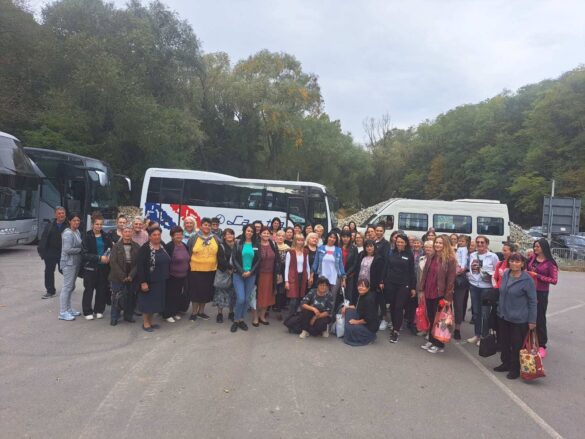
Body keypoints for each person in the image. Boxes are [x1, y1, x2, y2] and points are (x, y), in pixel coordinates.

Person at [493, 253, 537, 380]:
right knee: (504, 342)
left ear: (522, 264)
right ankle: (505, 363)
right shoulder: (506, 274)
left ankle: (515, 368)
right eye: (512, 261)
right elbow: (502, 292)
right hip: (503, 315)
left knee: (516, 345)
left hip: (519, 319)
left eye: (517, 262)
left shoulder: (527, 280)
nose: (514, 263)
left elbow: (533, 301)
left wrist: (532, 320)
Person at [419, 235, 457, 354]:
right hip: (428, 291)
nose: (437, 245)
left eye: (440, 243)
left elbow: (451, 280)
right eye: (436, 242)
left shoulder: (450, 259)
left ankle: (439, 344)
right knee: (431, 317)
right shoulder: (431, 256)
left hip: (440, 294)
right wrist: (421, 289)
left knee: (440, 320)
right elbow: (425, 274)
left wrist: (447, 297)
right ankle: (431, 340)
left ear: (445, 244)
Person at [187, 217, 224, 321]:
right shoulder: (194, 238)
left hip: (210, 270)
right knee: (195, 292)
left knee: (205, 292)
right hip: (195, 270)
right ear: (201, 226)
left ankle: (201, 312)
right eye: (205, 225)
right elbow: (188, 251)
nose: (207, 227)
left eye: (209, 225)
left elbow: (221, 250)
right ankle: (194, 312)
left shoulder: (215, 238)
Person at [466, 236, 500, 346]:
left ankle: (484, 336)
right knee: (476, 312)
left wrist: (488, 274)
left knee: (485, 313)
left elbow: (497, 271)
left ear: (487, 244)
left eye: (482, 242)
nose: (480, 244)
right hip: (474, 287)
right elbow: (470, 269)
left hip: (487, 288)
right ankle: (477, 335)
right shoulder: (472, 255)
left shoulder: (493, 256)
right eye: (478, 242)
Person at [527, 238, 558, 356]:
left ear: (544, 247)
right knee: (527, 317)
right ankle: (528, 341)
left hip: (541, 293)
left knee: (539, 318)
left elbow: (554, 280)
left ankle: (541, 345)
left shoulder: (550, 263)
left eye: (538, 246)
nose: (535, 248)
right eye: (534, 246)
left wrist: (537, 276)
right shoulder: (532, 258)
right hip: (528, 291)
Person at [383, 233, 416, 343]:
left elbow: (412, 272)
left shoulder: (409, 255)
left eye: (402, 242)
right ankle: (394, 326)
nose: (399, 244)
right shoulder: (391, 253)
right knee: (392, 307)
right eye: (398, 242)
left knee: (398, 307)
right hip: (391, 284)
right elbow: (386, 268)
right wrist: (383, 280)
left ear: (406, 243)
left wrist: (413, 287)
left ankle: (396, 331)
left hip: (403, 285)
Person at [136, 227, 171, 332]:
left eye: (158, 234)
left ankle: (150, 322)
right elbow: (140, 267)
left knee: (155, 303)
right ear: (150, 236)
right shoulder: (145, 248)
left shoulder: (162, 246)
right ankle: (146, 323)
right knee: (147, 303)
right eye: (154, 235)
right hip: (149, 281)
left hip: (161, 280)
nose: (157, 237)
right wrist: (143, 282)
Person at [81, 212, 113, 320]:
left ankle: (99, 310)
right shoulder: (87, 236)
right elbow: (84, 254)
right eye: (97, 224)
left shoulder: (106, 236)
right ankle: (87, 311)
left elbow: (110, 249)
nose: (99, 226)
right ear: (92, 224)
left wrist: (108, 257)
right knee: (89, 290)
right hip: (90, 267)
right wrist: (99, 258)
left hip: (103, 267)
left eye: (101, 224)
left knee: (101, 289)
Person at [109, 224, 140, 325]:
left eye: (129, 232)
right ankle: (114, 317)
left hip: (131, 276)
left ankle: (128, 316)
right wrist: (122, 276)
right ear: (122, 233)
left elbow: (138, 263)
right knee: (116, 298)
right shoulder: (116, 246)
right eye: (125, 232)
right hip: (117, 276)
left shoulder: (136, 246)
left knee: (130, 297)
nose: (127, 234)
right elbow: (113, 262)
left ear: (132, 233)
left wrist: (131, 275)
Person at [231, 224, 260, 332]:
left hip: (251, 275)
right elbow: (234, 259)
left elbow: (258, 260)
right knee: (241, 298)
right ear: (244, 231)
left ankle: (241, 319)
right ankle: (236, 320)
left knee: (247, 299)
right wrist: (242, 271)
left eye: (251, 231)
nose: (249, 233)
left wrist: (250, 272)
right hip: (238, 274)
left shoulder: (256, 244)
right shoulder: (238, 242)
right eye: (248, 230)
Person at [312, 232, 346, 316]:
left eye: (334, 238)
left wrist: (343, 279)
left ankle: (329, 316)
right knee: (322, 297)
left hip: (335, 278)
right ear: (327, 237)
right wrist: (311, 275)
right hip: (322, 276)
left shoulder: (338, 250)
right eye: (330, 237)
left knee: (332, 298)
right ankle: (320, 316)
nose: (332, 239)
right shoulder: (320, 248)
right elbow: (316, 262)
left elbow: (341, 265)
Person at [38, 206, 68, 299]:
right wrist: (42, 251)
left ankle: (69, 286)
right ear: (55, 215)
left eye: (63, 213)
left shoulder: (69, 225)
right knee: (49, 271)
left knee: (64, 270)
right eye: (59, 213)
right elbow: (44, 238)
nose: (61, 215)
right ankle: (50, 291)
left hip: (63, 253)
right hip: (50, 253)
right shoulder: (50, 225)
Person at [58, 213, 83, 321]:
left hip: (75, 263)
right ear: (69, 221)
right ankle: (63, 312)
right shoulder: (67, 233)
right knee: (67, 287)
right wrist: (81, 250)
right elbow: (67, 249)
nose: (76, 222)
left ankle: (68, 309)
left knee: (71, 287)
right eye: (74, 220)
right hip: (68, 263)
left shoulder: (77, 231)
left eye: (78, 220)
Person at [163, 226, 190, 323]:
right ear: (172, 236)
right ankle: (167, 314)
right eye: (176, 234)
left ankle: (174, 312)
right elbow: (166, 262)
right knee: (170, 296)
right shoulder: (169, 246)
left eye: (180, 234)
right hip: (172, 276)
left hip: (183, 276)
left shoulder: (184, 245)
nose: (179, 236)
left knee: (178, 295)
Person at [255, 226, 280, 326]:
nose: (266, 235)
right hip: (259, 275)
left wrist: (278, 273)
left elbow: (277, 259)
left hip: (270, 275)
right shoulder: (256, 244)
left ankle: (262, 316)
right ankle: (255, 317)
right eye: (264, 233)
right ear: (260, 234)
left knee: (267, 296)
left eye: (268, 233)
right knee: (257, 296)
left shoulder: (273, 244)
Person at [343, 278, 378, 346]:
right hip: (362, 318)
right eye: (359, 286)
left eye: (363, 286)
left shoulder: (369, 300)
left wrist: (356, 322)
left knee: (353, 328)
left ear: (368, 288)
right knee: (349, 311)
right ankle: (348, 331)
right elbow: (356, 306)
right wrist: (346, 307)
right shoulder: (361, 295)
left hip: (369, 327)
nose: (361, 288)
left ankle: (370, 336)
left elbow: (368, 319)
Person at [213, 228, 236, 323]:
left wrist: (235, 270)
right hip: (223, 273)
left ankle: (231, 312)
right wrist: (229, 269)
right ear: (224, 236)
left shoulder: (237, 246)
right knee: (221, 294)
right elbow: (220, 260)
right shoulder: (221, 246)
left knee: (233, 294)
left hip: (234, 273)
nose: (230, 236)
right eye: (227, 234)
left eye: (231, 234)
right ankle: (220, 313)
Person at [285, 233, 311, 318]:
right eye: (298, 240)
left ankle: (296, 318)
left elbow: (307, 266)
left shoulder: (305, 252)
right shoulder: (290, 252)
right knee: (293, 299)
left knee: (300, 298)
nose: (300, 242)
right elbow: (287, 267)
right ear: (295, 241)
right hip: (292, 277)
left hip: (302, 277)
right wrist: (286, 281)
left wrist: (308, 278)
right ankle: (290, 318)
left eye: (302, 240)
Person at [453, 235, 471, 340]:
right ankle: (445, 325)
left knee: (458, 305)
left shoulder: (464, 250)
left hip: (460, 278)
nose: (460, 242)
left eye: (462, 241)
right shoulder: (455, 249)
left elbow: (464, 261)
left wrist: (462, 268)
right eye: (458, 241)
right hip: (451, 277)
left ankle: (457, 329)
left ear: (466, 243)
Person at [340, 231, 359, 305]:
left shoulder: (354, 248)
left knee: (348, 296)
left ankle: (347, 310)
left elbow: (355, 264)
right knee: (338, 295)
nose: (345, 239)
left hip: (349, 275)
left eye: (347, 237)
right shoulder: (338, 247)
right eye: (344, 237)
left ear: (350, 238)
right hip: (338, 275)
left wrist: (345, 275)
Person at [273, 230, 290, 314]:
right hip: (273, 270)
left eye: (282, 236)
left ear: (285, 238)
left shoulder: (287, 248)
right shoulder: (272, 246)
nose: (280, 237)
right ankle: (271, 306)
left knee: (281, 289)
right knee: (273, 288)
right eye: (279, 235)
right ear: (276, 236)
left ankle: (279, 307)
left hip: (283, 270)